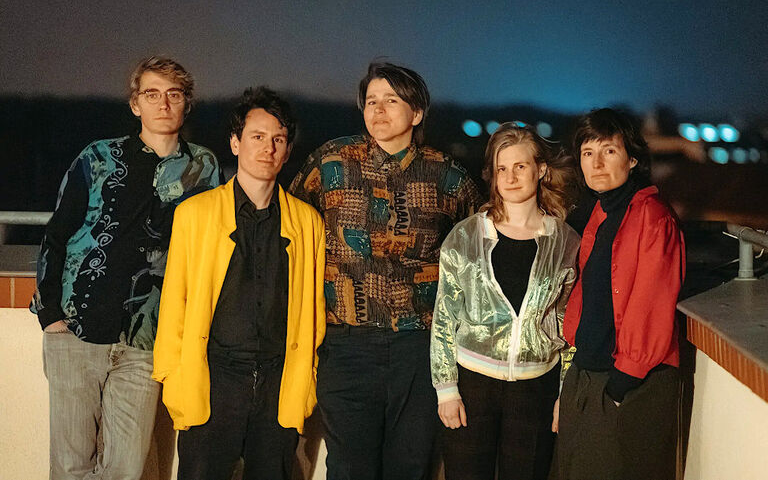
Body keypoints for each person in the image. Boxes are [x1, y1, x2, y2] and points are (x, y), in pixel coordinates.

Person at [30, 56, 221, 479]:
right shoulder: (98, 157)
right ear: (136, 104)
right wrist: (51, 318)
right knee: (70, 465)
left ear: (187, 104)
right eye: (152, 94)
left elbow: (207, 247)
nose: (163, 104)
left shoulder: (204, 167)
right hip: (76, 328)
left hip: (146, 339)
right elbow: (56, 233)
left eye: (174, 95)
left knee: (127, 468)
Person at [289, 62, 482, 480]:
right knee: (349, 468)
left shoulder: (447, 176)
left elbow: (482, 250)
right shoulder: (331, 162)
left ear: (416, 113)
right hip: (346, 345)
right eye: (371, 101)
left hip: (420, 349)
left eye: (391, 100)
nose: (378, 109)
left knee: (410, 467)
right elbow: (290, 230)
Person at [153, 86, 326, 480]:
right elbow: (174, 302)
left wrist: (306, 383)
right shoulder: (195, 214)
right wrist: (174, 380)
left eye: (278, 140)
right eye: (257, 137)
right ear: (235, 142)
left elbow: (313, 314)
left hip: (277, 383)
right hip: (212, 380)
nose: (268, 148)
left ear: (287, 150)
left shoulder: (307, 222)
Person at [430, 123, 580, 480]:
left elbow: (569, 323)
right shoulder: (465, 236)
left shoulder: (566, 243)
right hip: (472, 386)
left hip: (536, 389)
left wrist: (564, 394)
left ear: (540, 170)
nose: (510, 177)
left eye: (520, 166)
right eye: (502, 168)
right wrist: (446, 390)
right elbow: (444, 319)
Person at [555, 108, 685, 480]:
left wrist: (620, 385)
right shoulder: (601, 212)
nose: (596, 163)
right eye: (587, 152)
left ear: (632, 159)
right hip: (590, 372)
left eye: (609, 151)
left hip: (629, 381)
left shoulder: (651, 216)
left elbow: (652, 303)